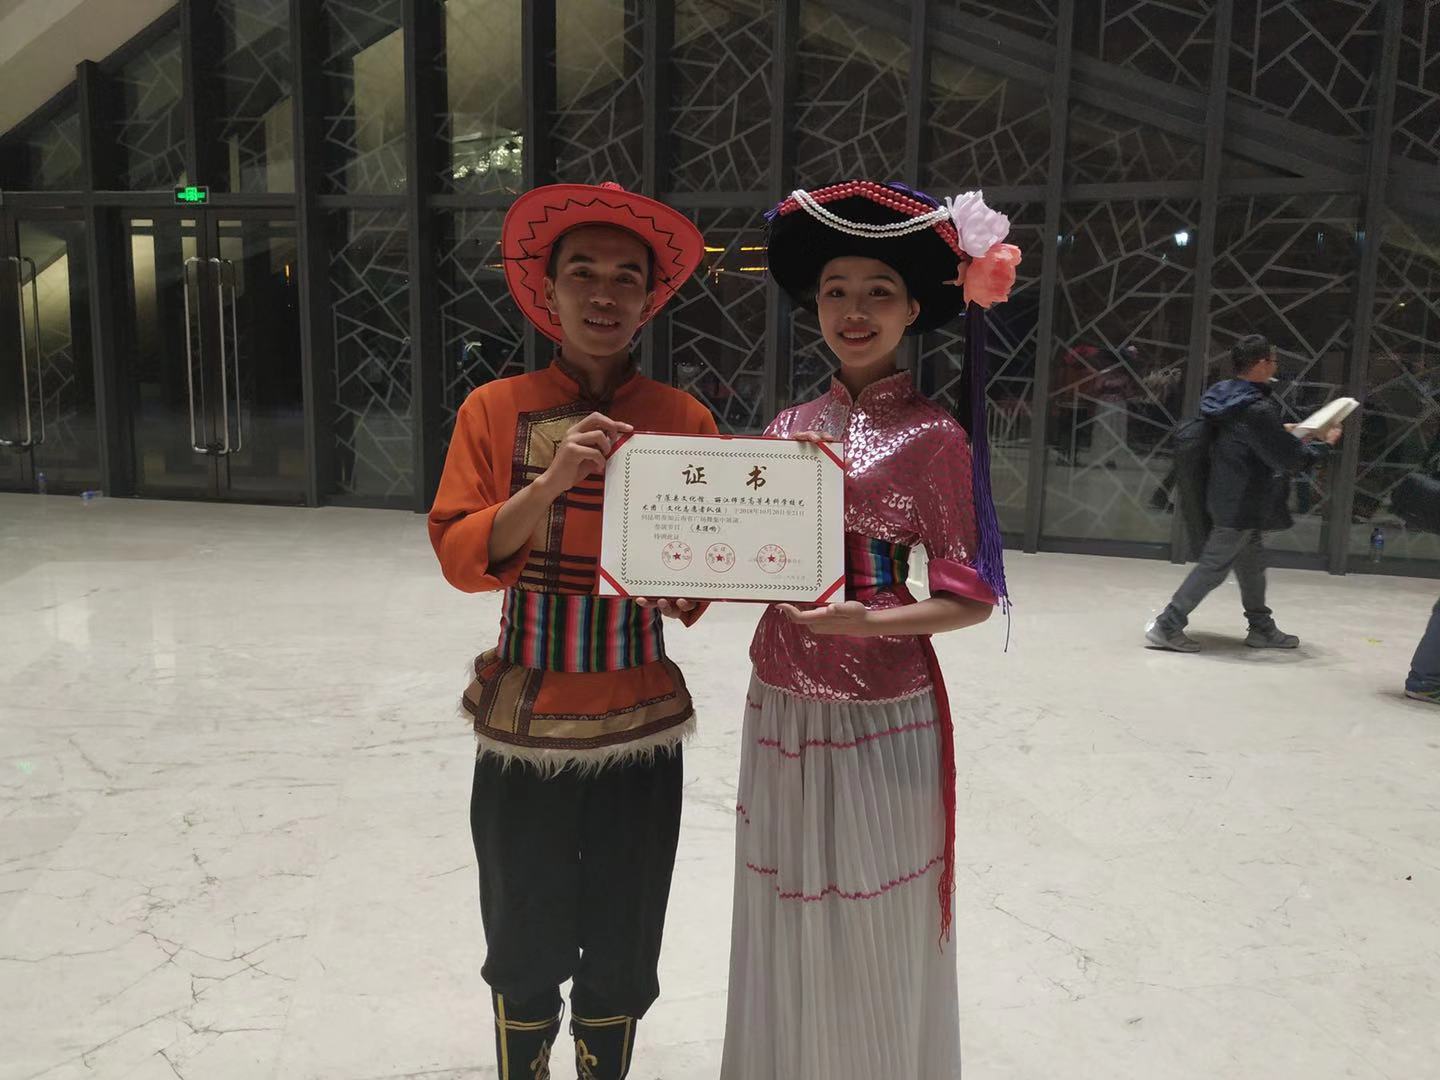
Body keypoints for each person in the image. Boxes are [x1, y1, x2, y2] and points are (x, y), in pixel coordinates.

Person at [720, 180, 1021, 1080]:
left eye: (879, 292)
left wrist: (872, 622)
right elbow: (752, 560)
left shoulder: (936, 438)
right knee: (785, 895)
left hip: (883, 706)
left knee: (876, 905)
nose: (855, 311)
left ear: (914, 308)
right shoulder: (786, 426)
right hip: (779, 696)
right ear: (814, 304)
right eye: (836, 291)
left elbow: (971, 599)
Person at [428, 181, 717, 1080]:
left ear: (649, 299)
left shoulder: (683, 419)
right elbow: (461, 553)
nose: (603, 293)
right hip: (527, 716)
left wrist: (689, 588)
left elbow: (706, 566)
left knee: (629, 928)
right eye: (582, 272)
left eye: (626, 277)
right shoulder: (493, 408)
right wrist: (549, 483)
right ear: (546, 290)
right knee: (520, 927)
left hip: (640, 715)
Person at [1145, 334, 1342, 653]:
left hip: (1227, 493)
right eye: (1274, 361)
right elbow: (1287, 459)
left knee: (1252, 565)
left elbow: (1247, 437)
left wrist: (1284, 431)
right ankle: (1167, 625)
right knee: (1214, 567)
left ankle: (1261, 627)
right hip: (1241, 501)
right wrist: (1324, 444)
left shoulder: (1225, 396)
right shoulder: (1256, 408)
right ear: (1262, 363)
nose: (1275, 366)